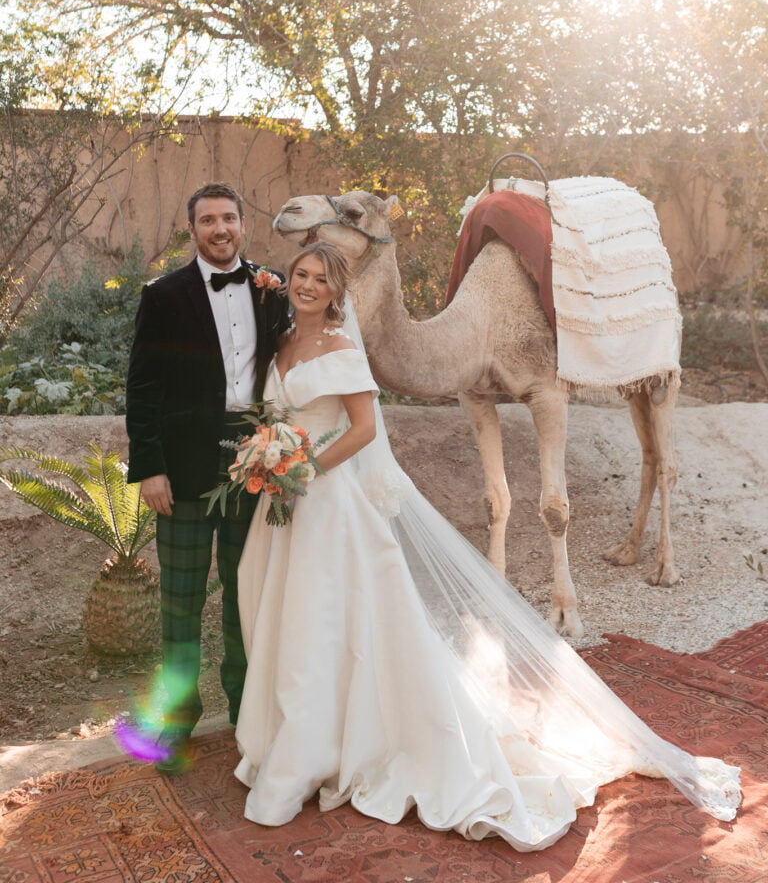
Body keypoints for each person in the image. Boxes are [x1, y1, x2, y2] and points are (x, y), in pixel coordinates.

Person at [233, 241, 741, 851]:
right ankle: (299, 736)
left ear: (339, 291)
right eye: (301, 275)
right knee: (283, 615)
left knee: (322, 622)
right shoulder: (283, 341)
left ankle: (314, 752)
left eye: (320, 278)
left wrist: (305, 468)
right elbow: (275, 416)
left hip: (325, 501)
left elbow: (364, 429)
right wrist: (267, 458)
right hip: (281, 499)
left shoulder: (343, 348)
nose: (308, 285)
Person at [126, 181, 290, 773]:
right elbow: (142, 389)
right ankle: (175, 724)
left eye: (229, 218)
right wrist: (149, 468)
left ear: (243, 223)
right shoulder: (164, 295)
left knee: (246, 600)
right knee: (181, 605)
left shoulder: (274, 290)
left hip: (257, 467)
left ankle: (249, 712)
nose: (220, 229)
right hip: (185, 470)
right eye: (208, 221)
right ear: (192, 230)